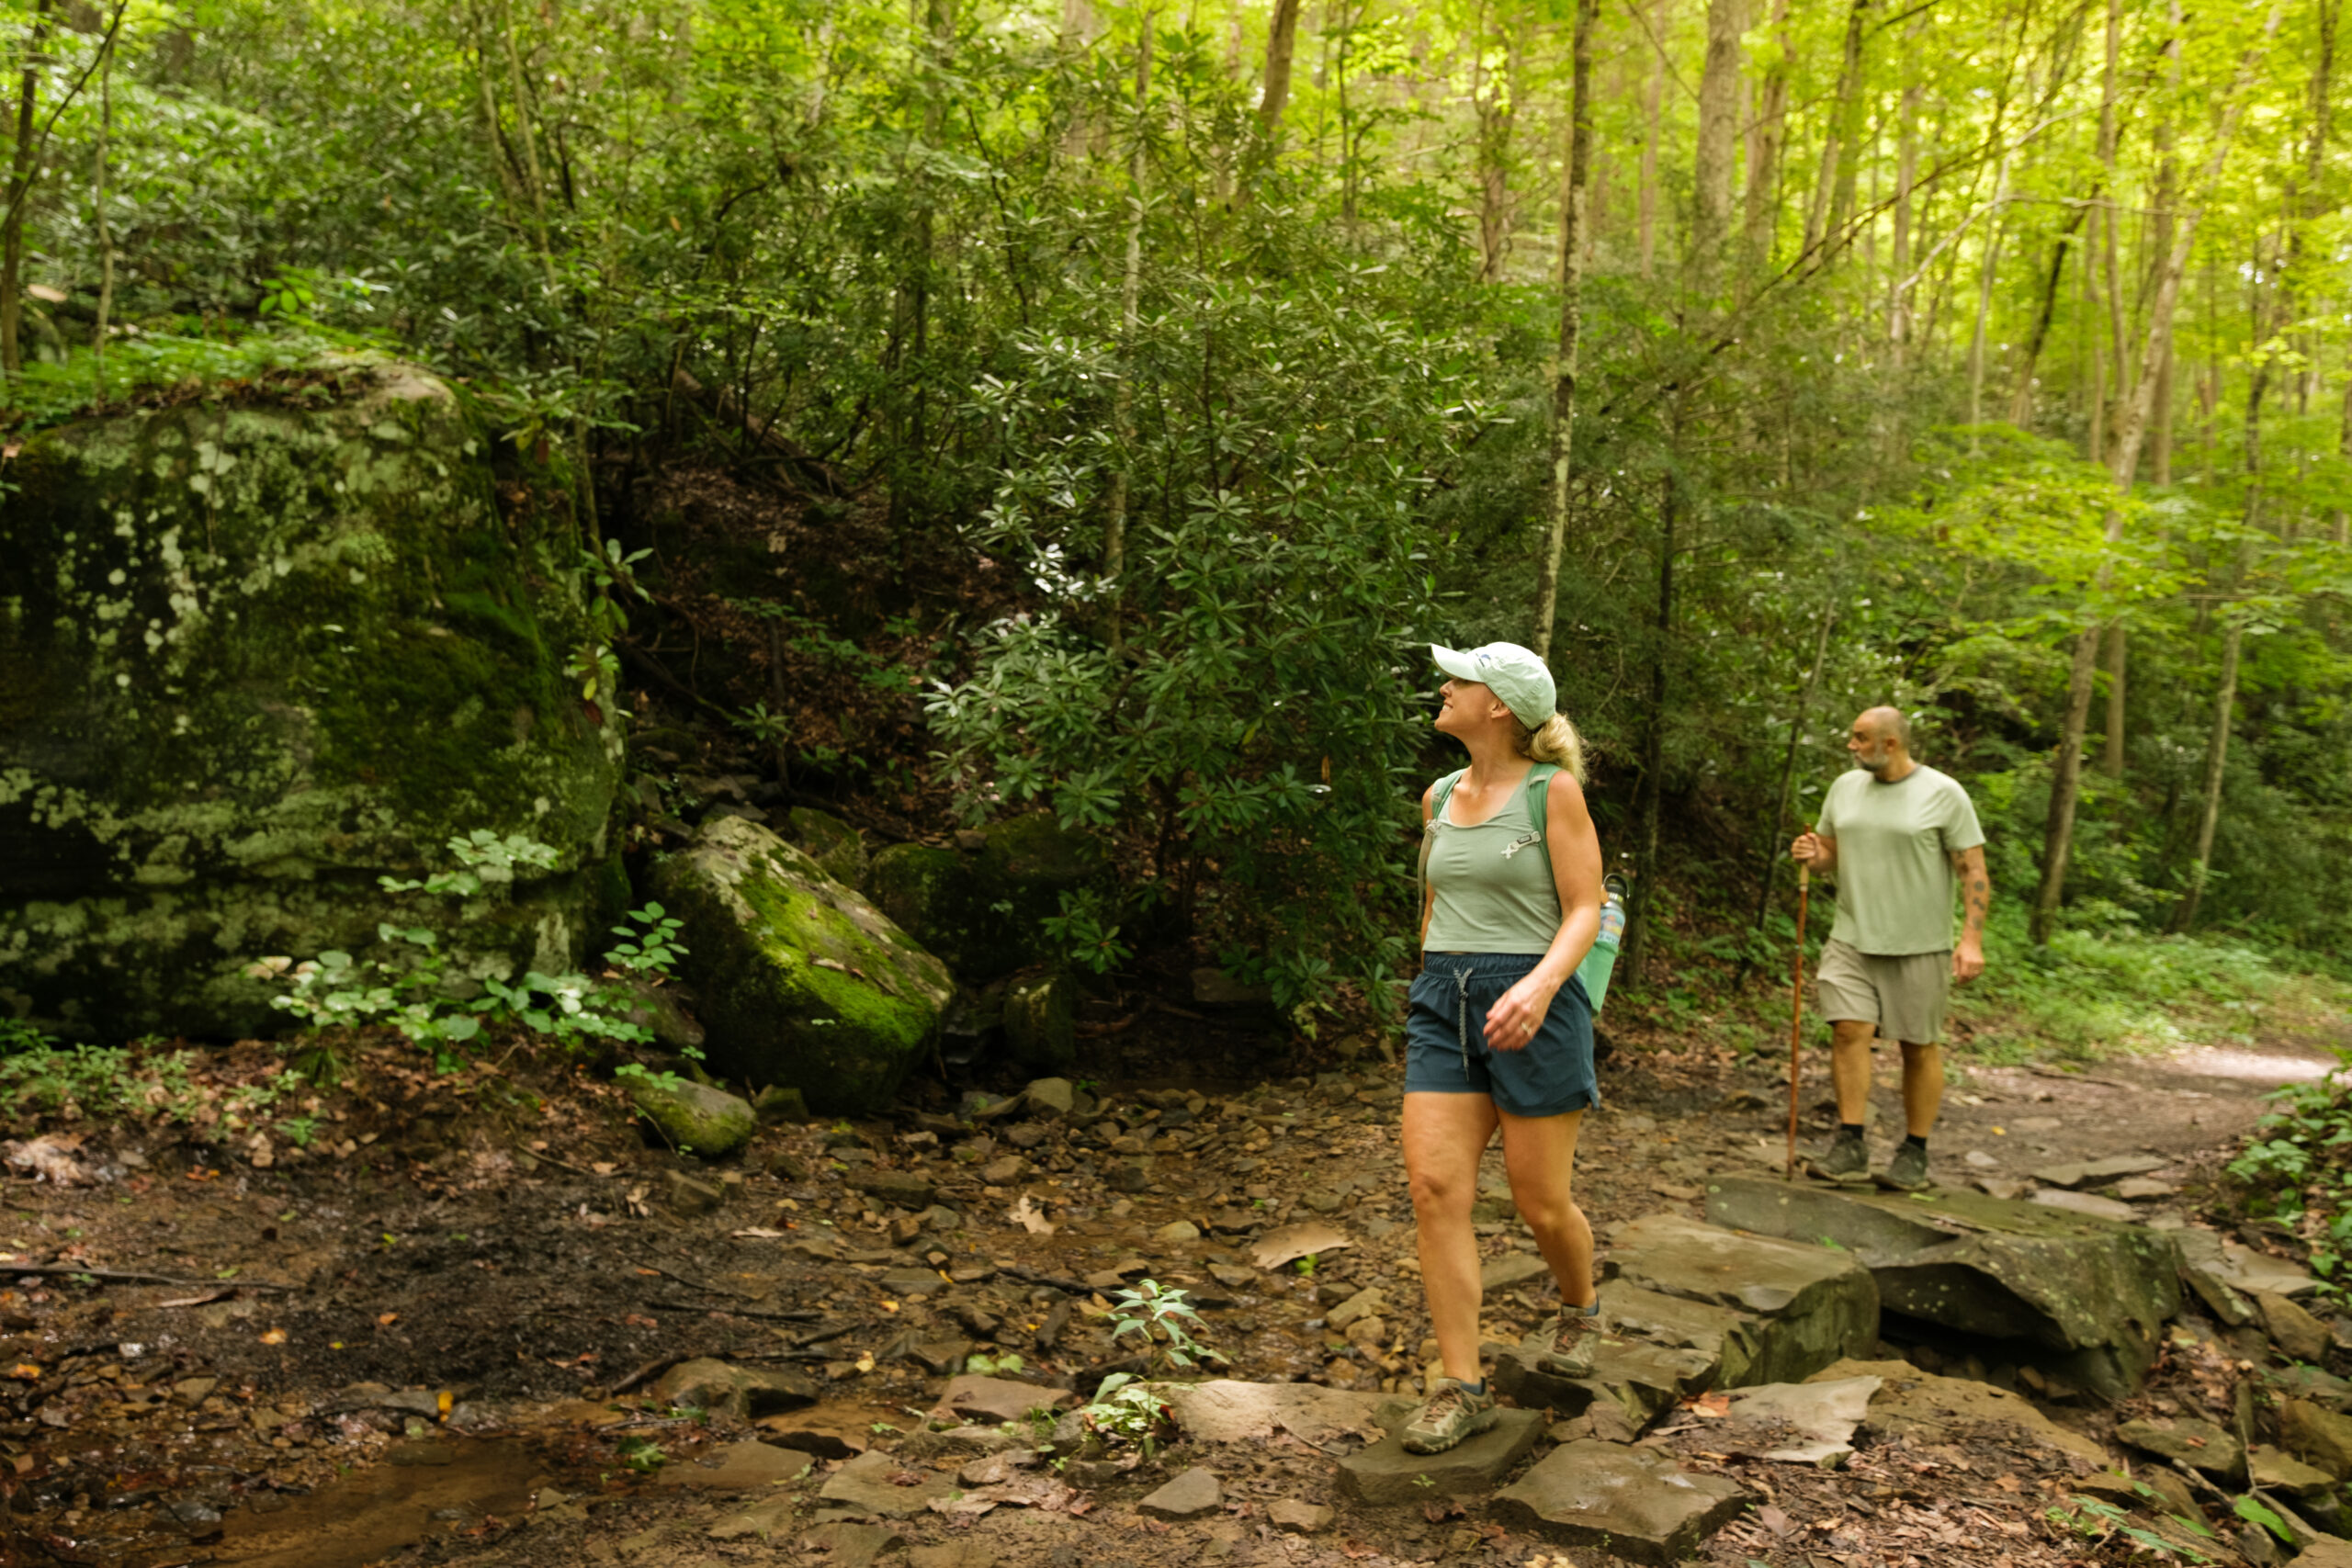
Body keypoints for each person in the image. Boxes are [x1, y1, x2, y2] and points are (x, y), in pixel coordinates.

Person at [1397, 642, 1606, 1456]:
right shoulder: (1439, 795)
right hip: (1442, 999)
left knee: (1539, 1200)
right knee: (1434, 1185)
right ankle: (1462, 1385)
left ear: (1500, 707)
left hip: (1534, 997)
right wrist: (1429, 981)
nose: (1444, 687)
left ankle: (1581, 1304)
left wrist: (1541, 985)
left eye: (1461, 679)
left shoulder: (1554, 794)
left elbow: (1585, 906)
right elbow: (1436, 902)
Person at [1789, 706, 1989, 1192]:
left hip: (1919, 944)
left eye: (1860, 738)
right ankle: (1851, 1142)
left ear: (1891, 743)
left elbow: (1973, 870)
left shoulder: (1943, 794)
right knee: (1848, 1031)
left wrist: (1971, 940)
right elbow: (1832, 853)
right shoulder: (1844, 788)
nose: (1852, 746)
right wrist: (1816, 857)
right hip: (1852, 937)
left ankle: (1913, 1152)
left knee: (1917, 1048)